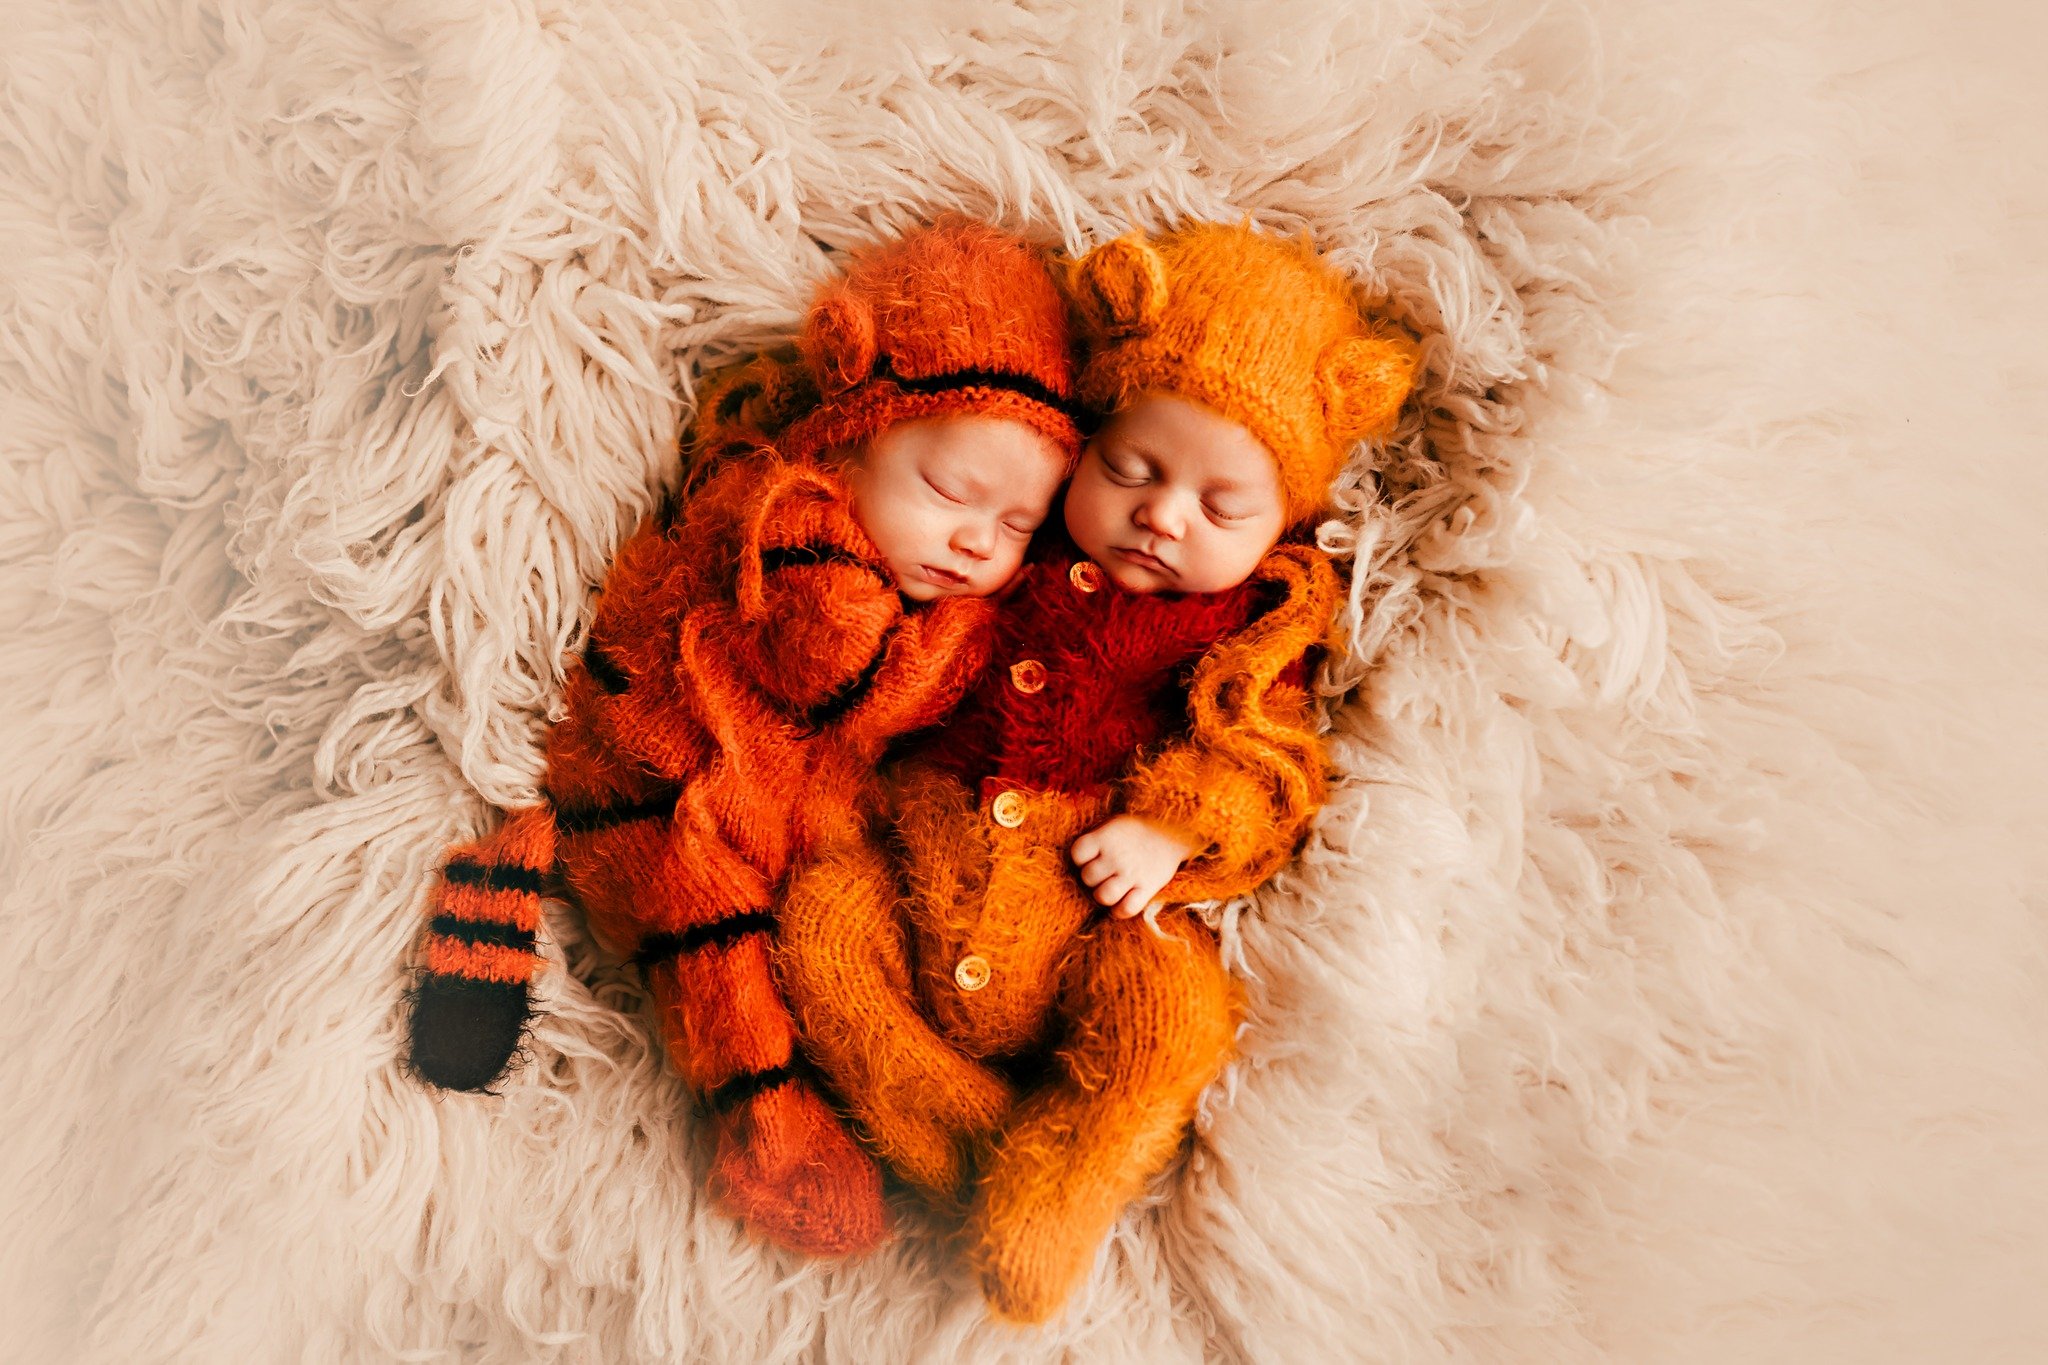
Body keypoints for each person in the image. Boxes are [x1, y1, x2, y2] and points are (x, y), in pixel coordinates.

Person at [775, 220, 1422, 1318]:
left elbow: (1262, 766)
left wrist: (1168, 827)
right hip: (915, 855)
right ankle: (965, 1145)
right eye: (1131, 468)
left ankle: (1059, 1183)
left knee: (1167, 1015)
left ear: (1281, 527)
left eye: (1221, 508)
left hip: (1093, 909)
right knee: (820, 929)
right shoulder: (1004, 548)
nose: (1163, 516)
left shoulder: (1248, 626)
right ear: (1084, 447)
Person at [402, 219, 1083, 1257]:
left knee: (844, 951)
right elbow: (844, 677)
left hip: (774, 814)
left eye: (1019, 525)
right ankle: (767, 1134)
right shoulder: (798, 531)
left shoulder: (903, 559)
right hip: (664, 802)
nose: (976, 540)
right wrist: (981, 623)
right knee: (723, 962)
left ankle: (944, 1126)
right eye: (949, 491)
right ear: (847, 439)